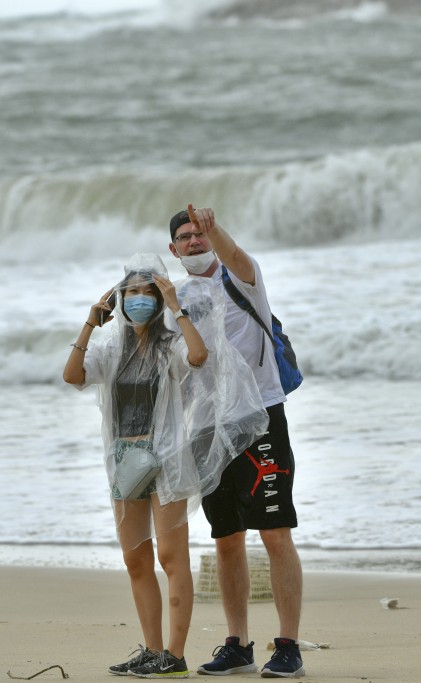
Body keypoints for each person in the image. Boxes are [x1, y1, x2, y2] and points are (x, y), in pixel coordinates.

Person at [63, 252, 269, 679]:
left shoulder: (169, 344)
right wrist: (89, 321)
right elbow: (73, 375)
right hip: (124, 460)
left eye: (147, 292)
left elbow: (199, 356)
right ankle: (152, 649)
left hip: (167, 460)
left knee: (172, 558)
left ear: (158, 298)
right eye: (132, 292)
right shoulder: (111, 348)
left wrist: (177, 306)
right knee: (135, 560)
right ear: (120, 299)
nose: (139, 299)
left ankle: (174, 655)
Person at [167, 205, 305, 679]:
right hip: (208, 428)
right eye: (184, 237)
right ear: (174, 250)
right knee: (226, 539)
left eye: (198, 234)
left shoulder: (242, 277)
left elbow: (235, 252)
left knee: (275, 533)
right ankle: (238, 644)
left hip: (261, 415)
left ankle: (288, 646)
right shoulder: (177, 298)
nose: (193, 241)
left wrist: (215, 228)